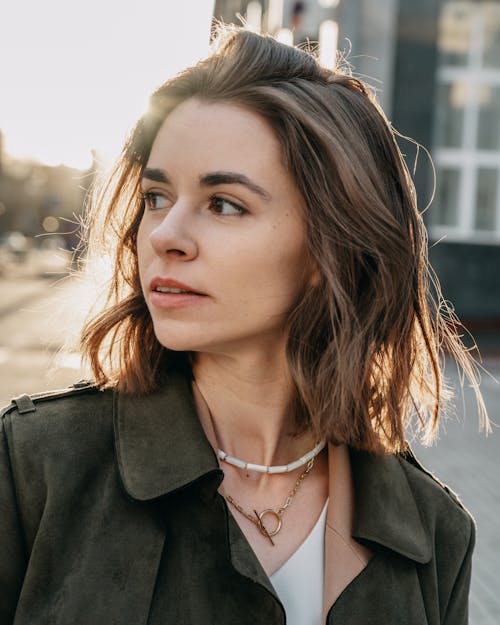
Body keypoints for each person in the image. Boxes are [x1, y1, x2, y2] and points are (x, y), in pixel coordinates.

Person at [0, 25, 486, 625]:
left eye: (224, 204)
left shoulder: (434, 533)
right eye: (157, 197)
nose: (166, 236)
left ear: (329, 249)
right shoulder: (33, 466)